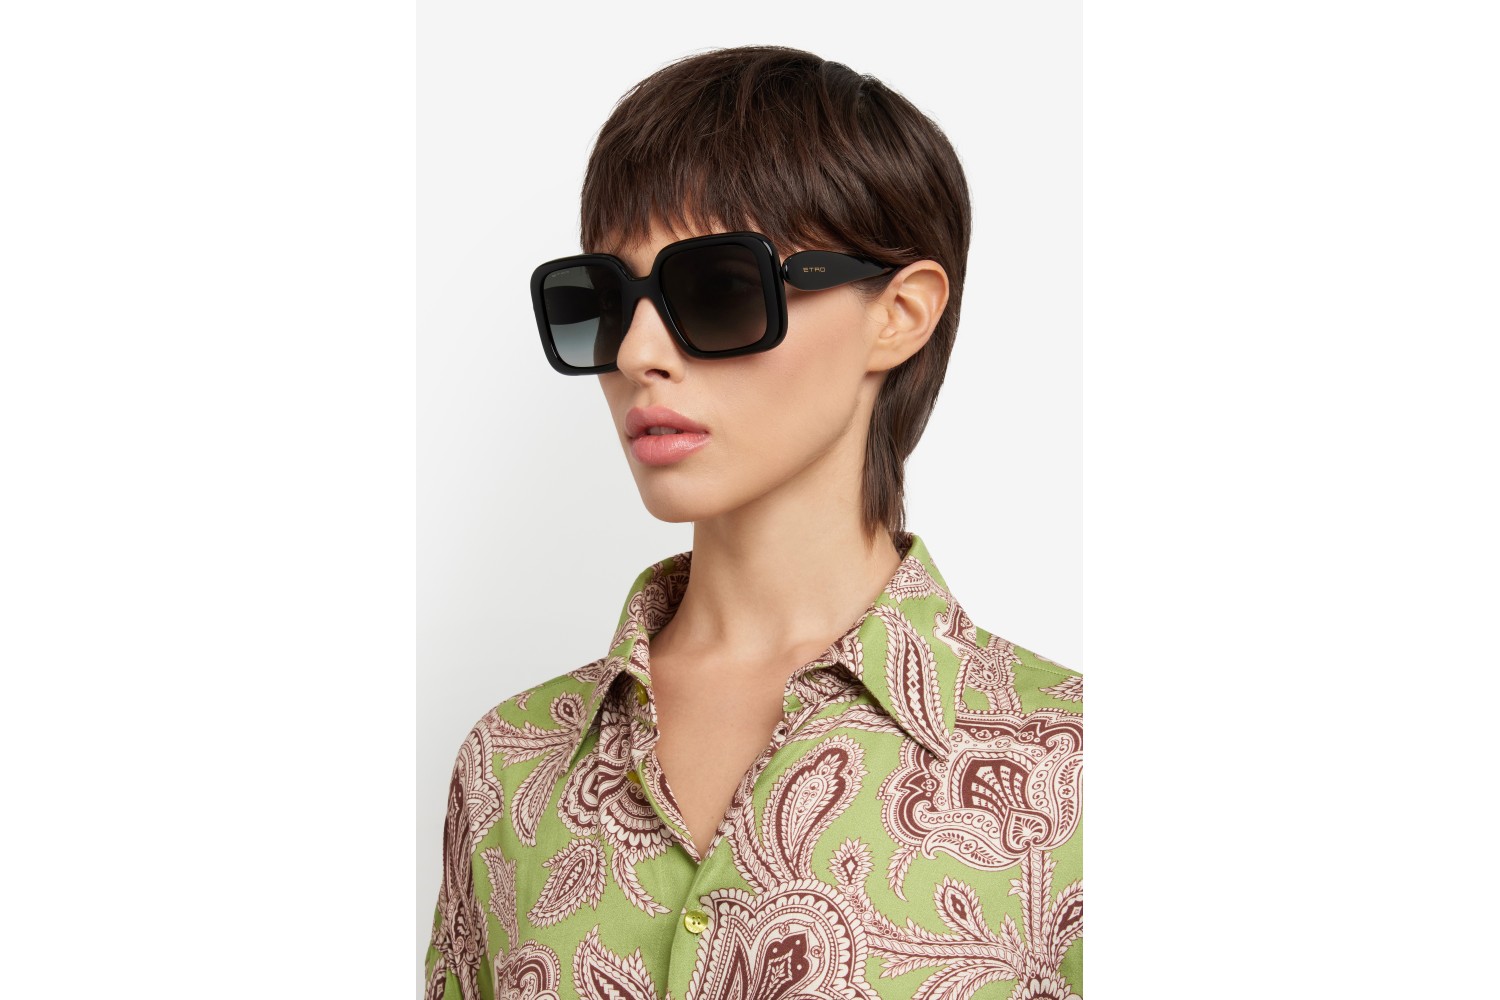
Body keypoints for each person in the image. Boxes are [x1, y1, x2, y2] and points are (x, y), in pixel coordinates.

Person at [423, 45, 1083, 1000]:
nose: (638, 353)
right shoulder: (508, 770)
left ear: (899, 313)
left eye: (719, 290)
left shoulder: (1070, 772)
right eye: (604, 302)